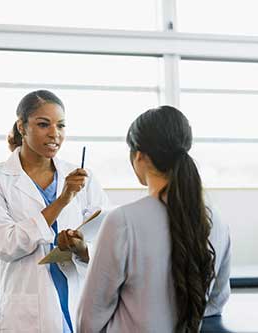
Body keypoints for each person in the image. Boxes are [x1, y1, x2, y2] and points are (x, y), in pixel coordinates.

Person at [73, 106, 231, 332]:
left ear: (140, 156)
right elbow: (215, 304)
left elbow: (88, 321)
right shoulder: (215, 219)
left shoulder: (123, 221)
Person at [0, 90, 109, 333]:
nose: (54, 134)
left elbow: (105, 237)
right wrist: (63, 199)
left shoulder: (81, 177)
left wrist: (82, 248)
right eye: (43, 124)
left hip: (78, 300)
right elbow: (5, 244)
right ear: (21, 127)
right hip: (26, 311)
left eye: (61, 125)